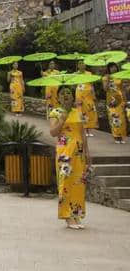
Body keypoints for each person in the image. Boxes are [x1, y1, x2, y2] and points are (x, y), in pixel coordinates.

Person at [49, 86, 91, 229]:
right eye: (62, 93)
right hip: (64, 152)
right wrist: (62, 120)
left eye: (68, 93)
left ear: (73, 97)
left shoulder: (78, 112)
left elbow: (83, 134)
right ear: (58, 97)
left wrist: (87, 152)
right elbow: (53, 133)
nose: (65, 95)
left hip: (79, 152)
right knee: (65, 183)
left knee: (79, 183)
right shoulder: (55, 112)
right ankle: (67, 216)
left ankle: (76, 214)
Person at [102, 63, 127, 144]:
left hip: (120, 99)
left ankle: (121, 136)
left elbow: (122, 89)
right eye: (111, 67)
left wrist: (125, 100)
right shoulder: (105, 77)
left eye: (114, 67)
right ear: (109, 68)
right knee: (114, 118)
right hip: (111, 100)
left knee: (122, 119)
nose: (113, 68)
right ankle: (116, 136)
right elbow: (105, 89)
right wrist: (108, 80)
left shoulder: (119, 76)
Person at [75, 60, 98, 137]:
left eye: (83, 63)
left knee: (89, 111)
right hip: (79, 95)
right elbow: (73, 85)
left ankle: (88, 130)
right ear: (78, 66)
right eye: (80, 63)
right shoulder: (75, 74)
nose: (81, 65)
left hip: (88, 95)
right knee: (81, 112)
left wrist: (94, 95)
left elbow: (92, 85)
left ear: (85, 65)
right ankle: (83, 130)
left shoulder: (89, 73)